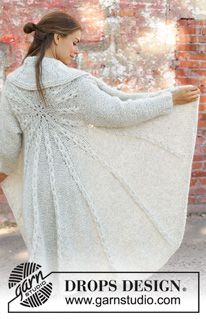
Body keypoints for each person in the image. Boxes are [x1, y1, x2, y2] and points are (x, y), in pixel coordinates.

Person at [0, 10, 200, 274]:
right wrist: (169, 101)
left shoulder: (13, 84)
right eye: (75, 42)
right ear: (57, 38)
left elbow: (7, 146)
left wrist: (4, 174)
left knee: (45, 253)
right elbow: (118, 112)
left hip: (36, 185)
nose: (76, 50)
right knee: (78, 254)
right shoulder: (74, 83)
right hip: (74, 182)